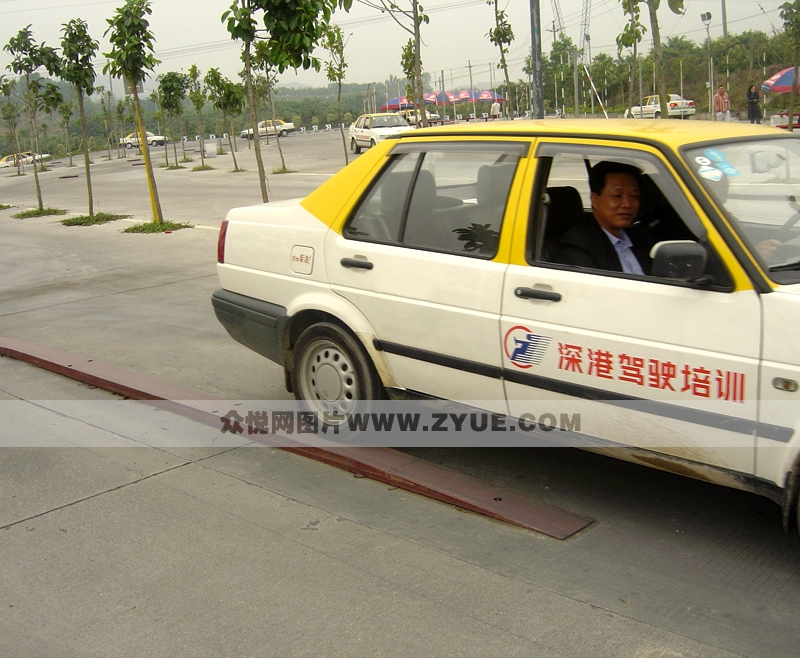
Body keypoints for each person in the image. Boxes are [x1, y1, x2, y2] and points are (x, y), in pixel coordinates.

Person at [553, 161, 653, 274]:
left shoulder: (640, 237)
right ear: (595, 200)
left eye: (634, 196)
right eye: (617, 196)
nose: (627, 204)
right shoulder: (578, 247)